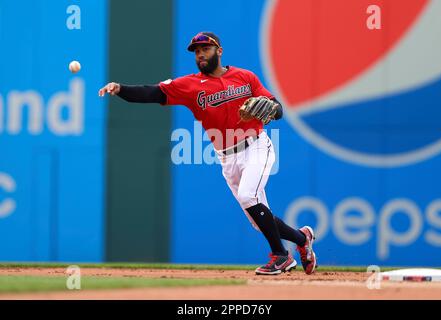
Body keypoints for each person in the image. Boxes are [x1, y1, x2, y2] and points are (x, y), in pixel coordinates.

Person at [99, 31, 317, 275]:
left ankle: (281, 256)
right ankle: (302, 238)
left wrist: (274, 108)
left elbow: (275, 108)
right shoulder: (189, 85)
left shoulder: (245, 77)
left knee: (248, 196)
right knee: (258, 221)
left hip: (256, 145)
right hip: (226, 156)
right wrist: (120, 89)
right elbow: (153, 93)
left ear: (219, 51)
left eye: (205, 48)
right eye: (196, 50)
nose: (200, 53)